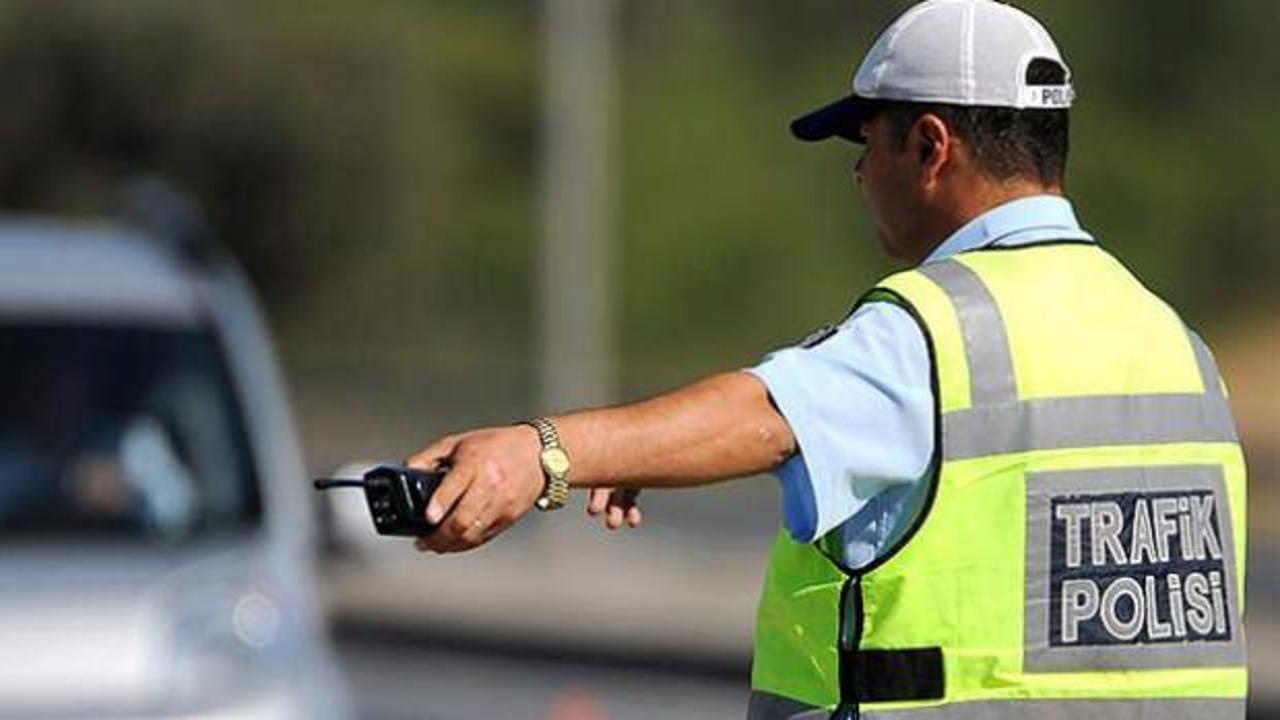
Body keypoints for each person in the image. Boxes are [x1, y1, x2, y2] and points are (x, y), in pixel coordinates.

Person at [408, 1, 1248, 717]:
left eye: (865, 141)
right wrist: (642, 453)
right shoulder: (1177, 344)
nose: (857, 173)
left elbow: (764, 415)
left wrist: (542, 453)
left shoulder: (937, 330)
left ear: (930, 146)